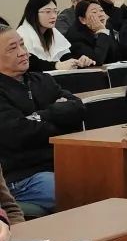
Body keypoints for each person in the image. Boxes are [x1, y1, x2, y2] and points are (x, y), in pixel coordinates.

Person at [0, 24, 85, 213]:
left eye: (22, 44)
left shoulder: (42, 80)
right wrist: (59, 119)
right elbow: (18, 134)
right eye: (12, 48)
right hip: (22, 176)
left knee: (109, 176)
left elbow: (78, 108)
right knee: (75, 191)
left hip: (61, 161)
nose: (23, 52)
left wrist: (40, 117)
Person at [17, 0, 92, 72]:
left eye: (55, 11)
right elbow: (31, 63)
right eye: (48, 12)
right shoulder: (22, 34)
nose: (53, 16)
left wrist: (78, 61)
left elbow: (64, 56)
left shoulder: (53, 31)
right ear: (33, 13)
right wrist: (56, 65)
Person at [66, 0, 121, 65]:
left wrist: (103, 30)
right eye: (94, 12)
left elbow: (116, 56)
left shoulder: (107, 26)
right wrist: (102, 31)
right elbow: (96, 61)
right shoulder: (75, 36)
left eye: (101, 10)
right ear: (83, 20)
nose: (101, 14)